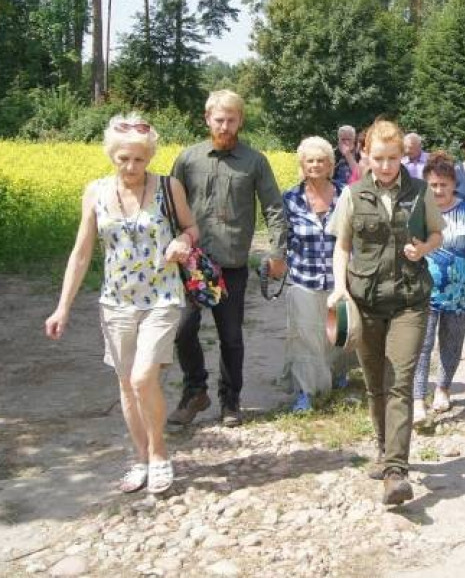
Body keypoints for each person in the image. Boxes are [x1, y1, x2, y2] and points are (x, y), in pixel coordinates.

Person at [44, 115, 199, 495]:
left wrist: (183, 242)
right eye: (123, 159)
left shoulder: (168, 186)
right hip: (115, 303)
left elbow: (191, 228)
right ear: (112, 155)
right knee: (127, 386)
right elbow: (81, 254)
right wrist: (62, 306)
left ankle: (161, 453)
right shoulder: (95, 192)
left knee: (143, 377)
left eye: (139, 160)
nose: (131, 167)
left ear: (149, 158)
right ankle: (141, 457)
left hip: (161, 298)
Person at [326, 119, 443, 506]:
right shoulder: (352, 194)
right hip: (365, 302)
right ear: (366, 156)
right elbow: (342, 245)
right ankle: (382, 446)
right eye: (379, 158)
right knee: (375, 383)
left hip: (410, 300)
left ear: (402, 157)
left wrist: (423, 249)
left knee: (400, 381)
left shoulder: (420, 191)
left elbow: (437, 234)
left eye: (393, 158)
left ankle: (396, 471)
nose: (387, 165)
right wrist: (340, 289)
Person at [168, 90, 287, 428]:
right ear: (207, 119)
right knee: (182, 332)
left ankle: (230, 400)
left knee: (231, 338)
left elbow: (275, 209)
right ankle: (195, 392)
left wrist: (277, 253)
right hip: (193, 264)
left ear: (240, 121)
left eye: (231, 120)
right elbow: (170, 207)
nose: (224, 126)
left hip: (232, 265)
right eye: (218, 119)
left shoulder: (255, 161)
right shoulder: (188, 159)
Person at [412, 152, 465, 425]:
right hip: (423, 291)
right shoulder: (417, 210)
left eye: (443, 184)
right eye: (433, 185)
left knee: (452, 343)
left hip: (460, 292)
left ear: (453, 184)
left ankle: (443, 388)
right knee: (421, 345)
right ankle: (417, 399)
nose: (438, 190)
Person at [282, 136, 345, 412]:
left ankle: (334, 376)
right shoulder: (290, 198)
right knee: (305, 336)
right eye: (310, 161)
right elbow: (282, 237)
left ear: (330, 165)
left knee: (336, 334)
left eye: (321, 160)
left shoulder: (346, 195)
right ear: (302, 164)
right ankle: (306, 392)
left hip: (339, 280)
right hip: (303, 279)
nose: (316, 165)